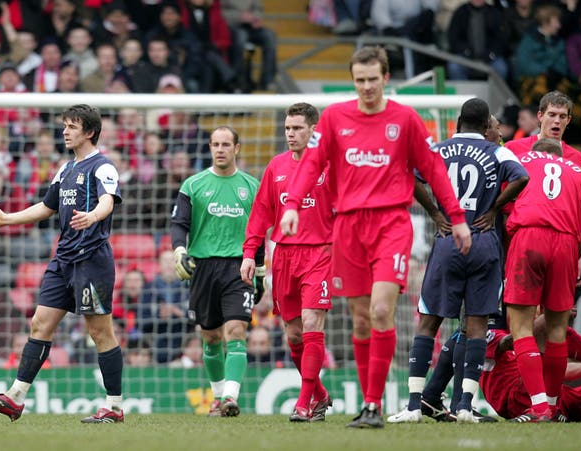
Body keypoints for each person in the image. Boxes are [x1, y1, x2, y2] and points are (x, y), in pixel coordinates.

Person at [279, 46, 473, 429]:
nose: (366, 87)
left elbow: (432, 167)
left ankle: (372, 404)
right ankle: (369, 405)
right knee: (361, 320)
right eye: (359, 80)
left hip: (390, 224)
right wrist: (292, 206)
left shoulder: (404, 119)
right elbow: (312, 164)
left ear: (386, 78)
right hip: (348, 227)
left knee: (382, 310)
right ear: (354, 80)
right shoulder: (335, 118)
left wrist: (457, 217)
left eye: (373, 79)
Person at [0, 104, 125, 424]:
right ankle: (15, 398)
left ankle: (114, 405)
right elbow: (46, 206)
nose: (65, 131)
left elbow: (108, 201)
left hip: (92, 259)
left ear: (90, 132)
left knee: (100, 332)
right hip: (63, 259)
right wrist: (6, 220)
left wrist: (93, 216)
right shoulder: (65, 169)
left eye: (72, 126)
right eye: (64, 126)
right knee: (40, 324)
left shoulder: (103, 166)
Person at [387, 98, 529, 424]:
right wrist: (493, 210)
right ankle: (464, 405)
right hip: (483, 241)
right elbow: (521, 177)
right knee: (477, 324)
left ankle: (413, 405)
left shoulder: (437, 149)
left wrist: (435, 213)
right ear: (485, 126)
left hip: (448, 238)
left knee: (429, 321)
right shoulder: (497, 151)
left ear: (458, 122)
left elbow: (411, 177)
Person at [241, 102, 334, 422]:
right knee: (293, 335)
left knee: (311, 324)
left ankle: (304, 403)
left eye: (297, 128)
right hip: (283, 257)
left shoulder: (329, 167)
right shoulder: (276, 167)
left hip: (320, 253)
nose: (290, 134)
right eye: (287, 128)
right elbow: (260, 215)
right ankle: (319, 394)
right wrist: (250, 253)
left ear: (313, 130)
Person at [171, 125, 261, 417]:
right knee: (210, 337)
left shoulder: (252, 186)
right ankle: (219, 396)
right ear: (210, 148)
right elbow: (179, 224)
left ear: (237, 148)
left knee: (236, 331)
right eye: (215, 144)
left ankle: (231, 398)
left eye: (226, 144)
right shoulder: (193, 185)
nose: (220, 149)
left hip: (239, 266)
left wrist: (259, 270)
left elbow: (259, 231)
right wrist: (179, 250)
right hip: (203, 268)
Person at [503, 136, 581, 422]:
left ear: (535, 152)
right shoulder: (578, 172)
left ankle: (538, 408)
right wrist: (576, 257)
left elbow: (504, 200)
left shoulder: (522, 160)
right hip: (566, 244)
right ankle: (552, 405)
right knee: (557, 331)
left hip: (530, 235)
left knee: (521, 326)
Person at [505, 90, 581, 167]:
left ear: (568, 120)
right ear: (540, 116)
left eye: (562, 116)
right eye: (552, 115)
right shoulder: (512, 148)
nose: (557, 121)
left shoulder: (577, 158)